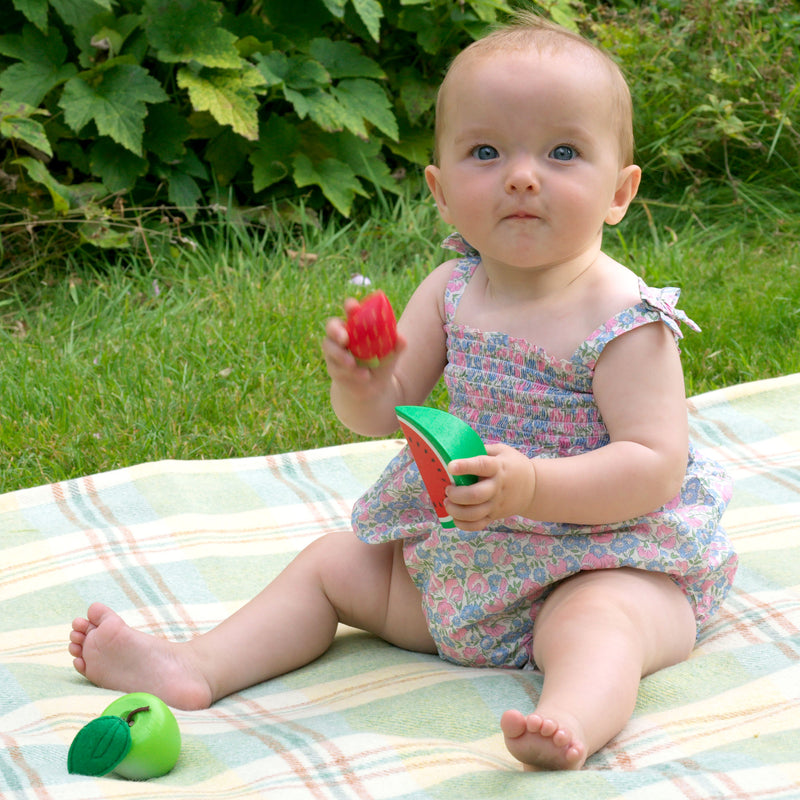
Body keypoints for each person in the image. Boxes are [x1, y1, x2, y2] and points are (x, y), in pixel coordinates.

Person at [69, 13, 737, 771]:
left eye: (562, 151)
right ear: (442, 191)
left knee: (598, 626)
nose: (523, 175)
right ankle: (197, 666)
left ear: (618, 192)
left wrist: (534, 486)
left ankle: (567, 718)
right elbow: (384, 416)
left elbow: (654, 465)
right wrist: (363, 380)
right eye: (486, 152)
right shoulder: (453, 288)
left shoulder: (624, 319)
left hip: (607, 554)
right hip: (473, 551)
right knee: (331, 564)